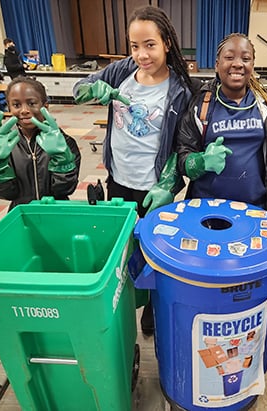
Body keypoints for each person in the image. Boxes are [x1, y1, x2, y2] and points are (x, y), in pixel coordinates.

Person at [73, 5, 195, 336]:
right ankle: (124, 304)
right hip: (119, 181)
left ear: (167, 42)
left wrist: (169, 184)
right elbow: (79, 90)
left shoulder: (182, 90)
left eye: (150, 45)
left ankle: (154, 311)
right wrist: (91, 91)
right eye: (134, 46)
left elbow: (183, 146)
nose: (141, 54)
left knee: (156, 253)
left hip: (155, 187)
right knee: (123, 251)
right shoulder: (119, 72)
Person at [176, 33, 267, 218]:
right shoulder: (202, 106)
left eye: (246, 58)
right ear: (217, 64)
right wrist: (201, 161)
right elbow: (182, 156)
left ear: (252, 65)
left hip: (254, 208)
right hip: (206, 208)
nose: (237, 63)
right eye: (229, 57)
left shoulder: (265, 108)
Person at [0, 77, 81, 210]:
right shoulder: (7, 146)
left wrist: (63, 162)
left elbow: (64, 190)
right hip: (21, 213)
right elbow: (6, 193)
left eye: (31, 103)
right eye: (16, 105)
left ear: (45, 107)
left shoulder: (65, 143)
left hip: (56, 211)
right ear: (9, 107)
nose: (24, 110)